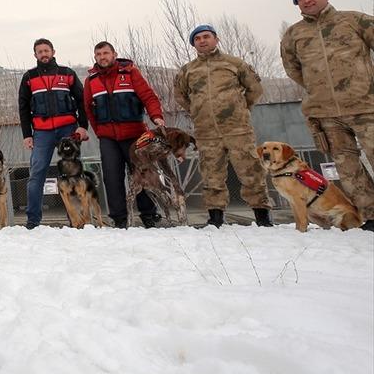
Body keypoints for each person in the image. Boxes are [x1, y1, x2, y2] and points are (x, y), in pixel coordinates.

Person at [280, 0, 374, 231]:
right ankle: (370, 215)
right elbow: (293, 69)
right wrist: (317, 87)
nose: (307, 1)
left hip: (365, 105)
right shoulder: (293, 34)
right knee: (347, 167)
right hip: (326, 114)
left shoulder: (354, 20)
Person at [174, 25, 271, 228]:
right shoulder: (188, 70)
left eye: (206, 36)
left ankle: (262, 216)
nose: (202, 41)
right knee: (211, 175)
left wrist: (242, 109)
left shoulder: (234, 63)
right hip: (206, 132)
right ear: (194, 44)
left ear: (216, 39)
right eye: (197, 38)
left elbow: (254, 88)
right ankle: (216, 217)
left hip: (237, 129)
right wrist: (198, 112)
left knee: (250, 171)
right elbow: (180, 96)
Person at [83, 41, 166, 228]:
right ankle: (119, 218)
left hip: (135, 134)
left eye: (106, 53)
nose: (102, 57)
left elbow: (148, 96)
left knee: (142, 174)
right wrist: (100, 132)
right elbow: (88, 109)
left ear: (114, 54)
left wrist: (156, 117)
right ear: (95, 57)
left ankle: (149, 214)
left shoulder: (130, 73)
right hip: (108, 138)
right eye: (98, 54)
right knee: (112, 177)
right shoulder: (91, 81)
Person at [17, 39, 89, 229]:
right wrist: (27, 134)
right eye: (39, 51)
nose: (43, 54)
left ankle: (77, 219)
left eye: (46, 50)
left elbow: (82, 101)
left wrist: (83, 126)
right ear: (35, 55)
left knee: (73, 174)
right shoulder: (29, 77)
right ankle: (33, 220)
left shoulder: (67, 73)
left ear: (53, 51)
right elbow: (23, 108)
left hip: (68, 129)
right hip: (42, 132)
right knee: (36, 174)